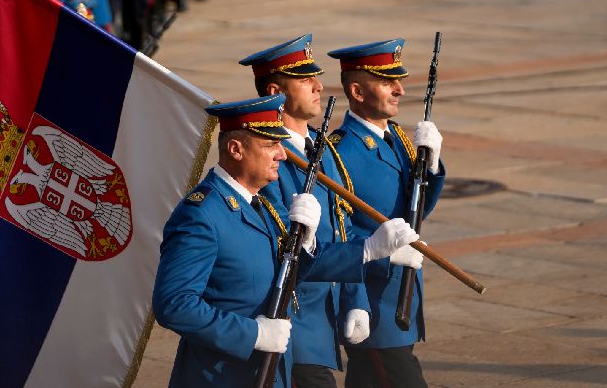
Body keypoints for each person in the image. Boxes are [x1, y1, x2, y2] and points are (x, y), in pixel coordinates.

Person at [153, 94, 418, 388]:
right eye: (270, 145)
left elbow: (294, 266)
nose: (281, 154)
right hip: (221, 376)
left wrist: (367, 250)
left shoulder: (262, 205)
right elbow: (174, 305)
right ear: (236, 149)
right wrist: (252, 334)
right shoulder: (201, 215)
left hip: (274, 371)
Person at [241, 35, 424, 388]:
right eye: (304, 80)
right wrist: (373, 253)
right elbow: (282, 250)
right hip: (293, 318)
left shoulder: (320, 147)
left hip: (323, 318)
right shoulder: (268, 158)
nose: (318, 86)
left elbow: (342, 227)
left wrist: (356, 298)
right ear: (276, 92)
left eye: (315, 77)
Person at [325, 38, 446, 388]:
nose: (400, 90)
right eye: (386, 82)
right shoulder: (341, 152)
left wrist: (432, 167)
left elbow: (416, 211)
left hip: (399, 299)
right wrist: (385, 258)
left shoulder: (396, 138)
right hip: (373, 302)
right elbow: (338, 235)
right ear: (357, 92)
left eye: (399, 81)